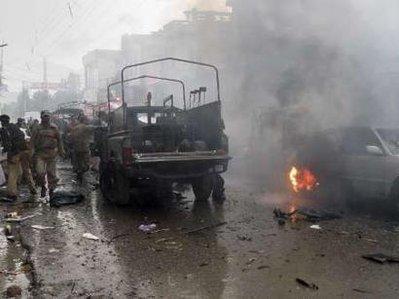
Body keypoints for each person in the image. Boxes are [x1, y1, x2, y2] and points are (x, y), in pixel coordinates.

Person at [0, 114, 35, 200]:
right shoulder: (15, 127)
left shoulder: (3, 130)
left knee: (12, 173)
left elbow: (7, 144)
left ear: (1, 122)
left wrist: (5, 150)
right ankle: (32, 188)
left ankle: (12, 193)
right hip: (24, 151)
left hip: (14, 153)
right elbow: (23, 136)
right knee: (27, 171)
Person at [31, 111, 65, 198]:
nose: (46, 118)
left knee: (51, 173)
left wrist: (61, 150)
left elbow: (59, 140)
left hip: (51, 153)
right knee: (40, 173)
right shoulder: (37, 128)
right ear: (41, 118)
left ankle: (51, 190)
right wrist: (32, 153)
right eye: (44, 117)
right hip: (40, 153)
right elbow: (32, 142)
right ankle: (43, 186)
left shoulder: (54, 128)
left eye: (47, 117)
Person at [70, 114, 93, 183]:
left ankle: (79, 172)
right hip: (85, 148)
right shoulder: (87, 127)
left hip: (76, 148)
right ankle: (82, 171)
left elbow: (71, 138)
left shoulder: (75, 128)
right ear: (84, 120)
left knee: (78, 161)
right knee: (86, 162)